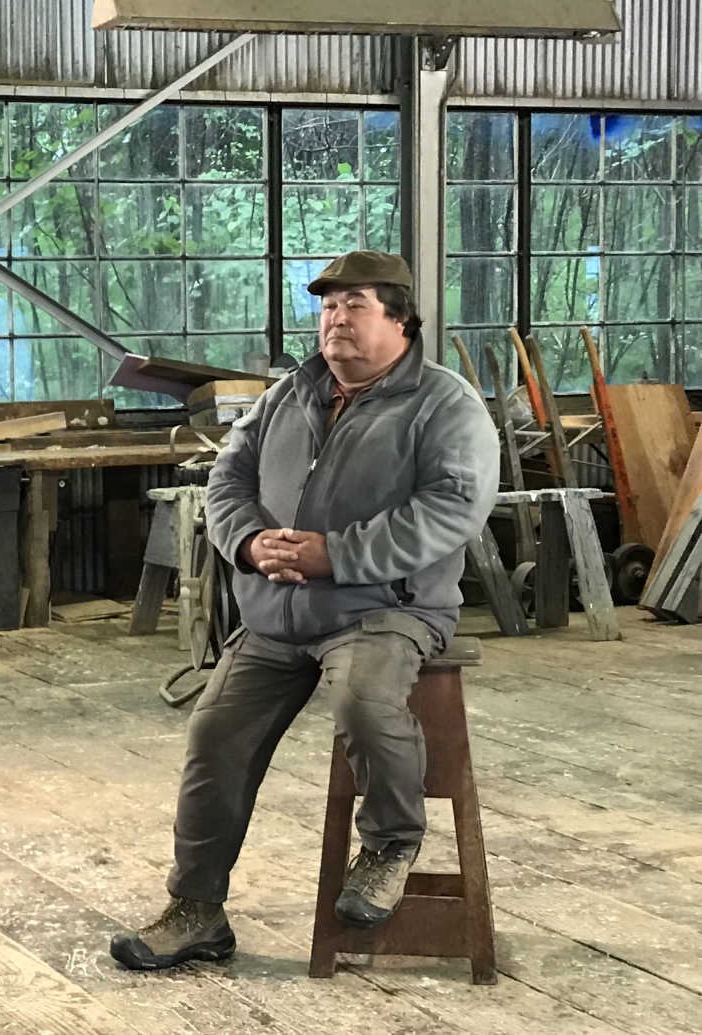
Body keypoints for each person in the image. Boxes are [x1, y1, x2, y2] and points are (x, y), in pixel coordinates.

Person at [110, 250, 500, 970]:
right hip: (277, 611)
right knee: (215, 731)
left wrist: (337, 555)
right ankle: (197, 908)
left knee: (362, 699)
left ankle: (389, 845)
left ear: (400, 318)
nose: (335, 319)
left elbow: (452, 508)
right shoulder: (290, 393)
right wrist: (250, 542)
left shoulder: (444, 404)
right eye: (327, 306)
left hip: (387, 606)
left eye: (354, 305)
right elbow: (228, 476)